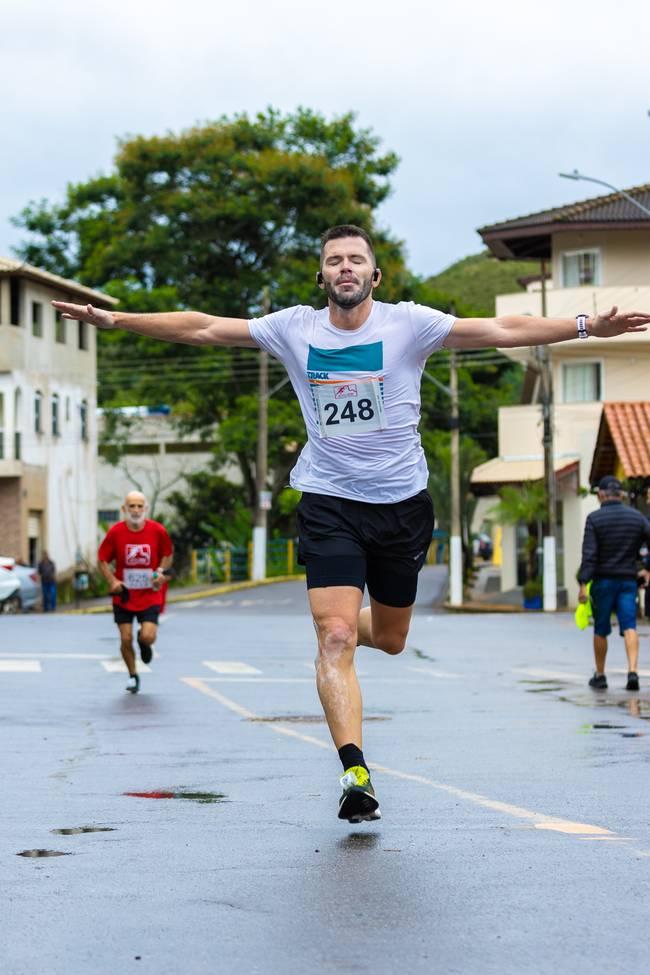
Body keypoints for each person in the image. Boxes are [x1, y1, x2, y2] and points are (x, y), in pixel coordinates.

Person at [53, 224, 650, 820]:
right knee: (335, 636)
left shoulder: (409, 324)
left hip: (401, 504)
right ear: (322, 274)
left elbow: (500, 329)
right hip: (329, 499)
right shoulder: (294, 329)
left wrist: (583, 327)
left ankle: (346, 625)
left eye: (355, 260)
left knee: (389, 638)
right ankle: (355, 771)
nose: (345, 268)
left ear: (374, 275)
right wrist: (117, 321)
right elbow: (204, 325)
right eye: (334, 259)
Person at [577, 476, 650, 691]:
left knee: (601, 629)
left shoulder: (594, 519)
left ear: (601, 494)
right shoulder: (637, 518)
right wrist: (647, 566)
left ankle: (600, 675)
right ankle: (633, 672)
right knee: (630, 626)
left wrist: (583, 583)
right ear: (621, 495)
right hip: (628, 581)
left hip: (603, 582)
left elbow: (589, 555)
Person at [97, 491, 173, 694]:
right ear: (124, 509)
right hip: (124, 594)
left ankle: (144, 643)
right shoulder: (116, 532)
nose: (136, 510)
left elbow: (167, 553)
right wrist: (112, 581)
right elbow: (102, 558)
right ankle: (133, 675)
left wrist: (160, 572)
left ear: (146, 509)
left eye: (140, 506)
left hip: (150, 594)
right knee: (124, 638)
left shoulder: (157, 531)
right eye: (132, 506)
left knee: (147, 636)